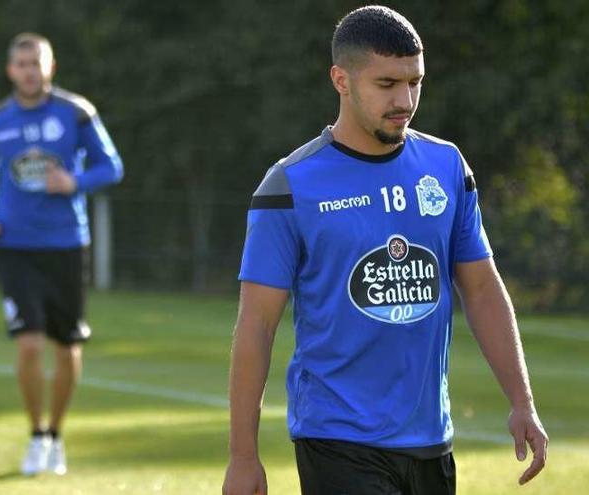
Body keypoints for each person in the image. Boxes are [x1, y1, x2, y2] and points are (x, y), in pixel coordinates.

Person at [223, 6, 548, 495]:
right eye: (387, 84)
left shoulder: (447, 167)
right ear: (341, 80)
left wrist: (522, 401)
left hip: (431, 440)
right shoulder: (289, 186)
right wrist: (243, 456)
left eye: (415, 81)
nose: (406, 99)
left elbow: (481, 289)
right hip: (336, 438)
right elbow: (257, 324)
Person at [0, 32, 123, 476]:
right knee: (29, 342)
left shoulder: (75, 112)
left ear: (50, 67)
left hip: (66, 243)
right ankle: (36, 434)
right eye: (20, 64)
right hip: (14, 245)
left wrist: (75, 182)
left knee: (67, 346)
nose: (28, 71)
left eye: (36, 63)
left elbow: (110, 165)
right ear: (9, 70)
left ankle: (56, 434)